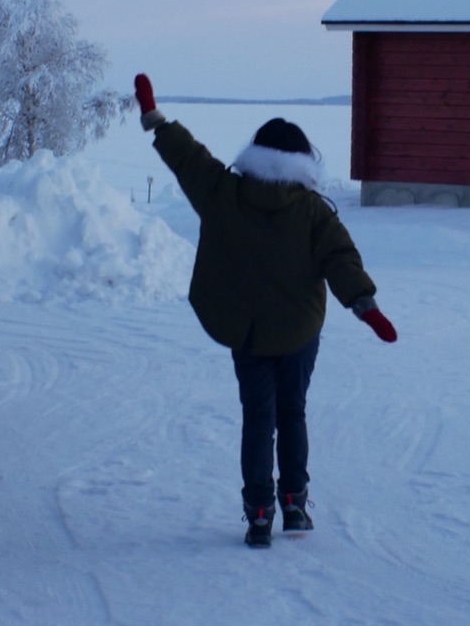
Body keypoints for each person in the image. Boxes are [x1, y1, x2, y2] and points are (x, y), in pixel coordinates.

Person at [135, 73, 397, 547]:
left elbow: (189, 160)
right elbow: (340, 259)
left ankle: (259, 513)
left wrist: (157, 120)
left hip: (247, 331)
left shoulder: (224, 193)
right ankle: (294, 506)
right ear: (302, 162)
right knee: (291, 411)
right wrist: (364, 304)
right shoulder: (313, 210)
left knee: (258, 417)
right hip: (298, 331)